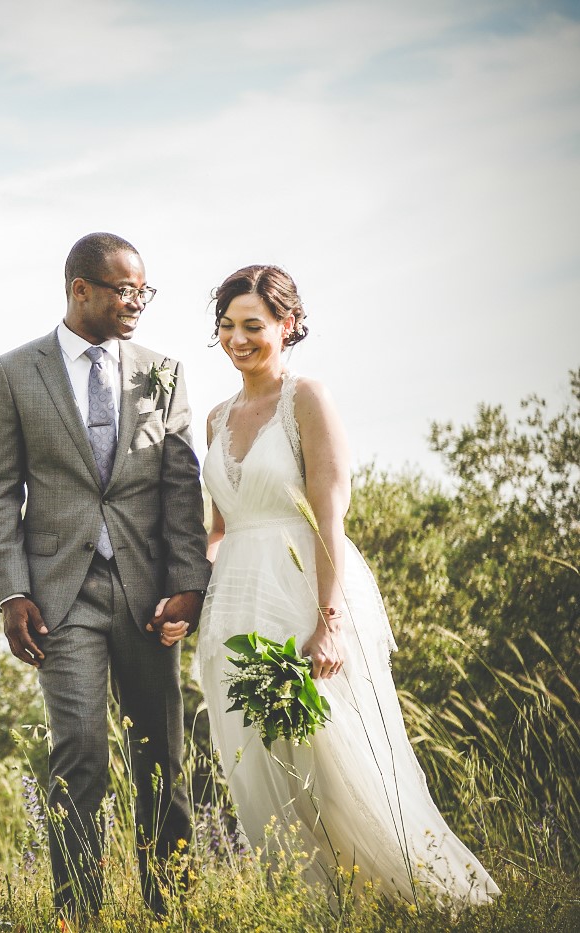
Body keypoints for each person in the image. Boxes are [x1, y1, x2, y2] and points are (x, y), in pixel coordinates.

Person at [158, 264, 499, 907]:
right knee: (257, 759)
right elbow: (221, 528)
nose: (238, 339)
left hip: (302, 590)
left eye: (253, 326)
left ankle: (420, 896)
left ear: (287, 326)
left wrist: (329, 618)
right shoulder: (214, 417)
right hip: (235, 605)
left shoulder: (307, 398)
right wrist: (187, 594)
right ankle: (313, 903)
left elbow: (330, 513)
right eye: (226, 327)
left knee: (336, 757)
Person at [0, 232, 212, 923]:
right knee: (79, 749)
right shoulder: (15, 372)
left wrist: (190, 584)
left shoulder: (162, 371)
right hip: (61, 595)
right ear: (80, 289)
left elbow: (181, 486)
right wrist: (11, 590)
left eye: (144, 289)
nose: (136, 301)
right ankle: (78, 914)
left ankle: (171, 908)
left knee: (162, 755)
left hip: (148, 593)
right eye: (122, 289)